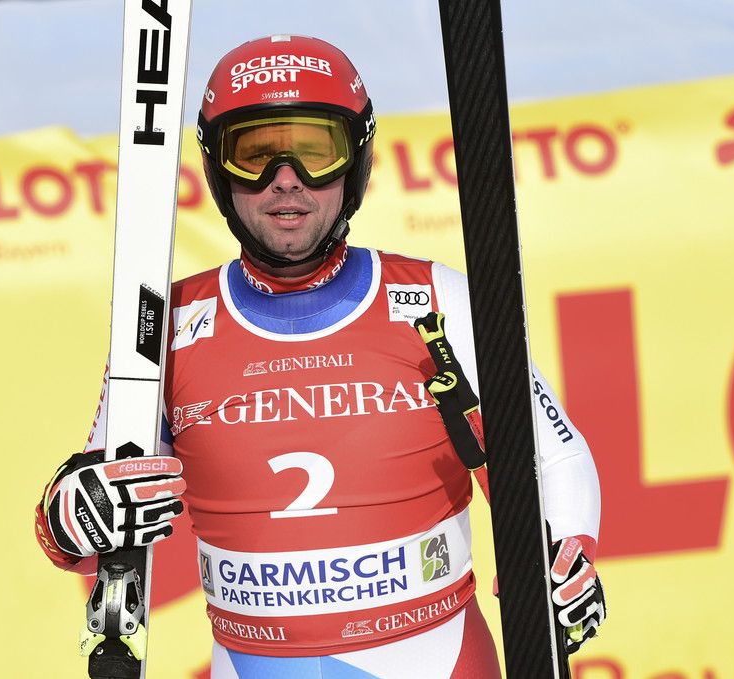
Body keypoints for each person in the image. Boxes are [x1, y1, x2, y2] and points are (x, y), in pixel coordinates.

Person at [35, 34, 605, 678]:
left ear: (355, 159)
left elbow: (552, 455)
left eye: (315, 152)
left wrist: (564, 557)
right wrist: (68, 518)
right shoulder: (163, 329)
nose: (286, 180)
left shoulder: (437, 300)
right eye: (254, 154)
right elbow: (92, 530)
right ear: (218, 170)